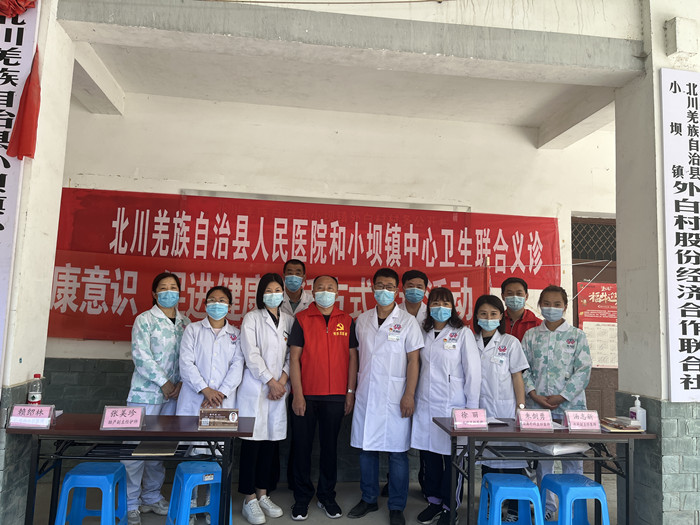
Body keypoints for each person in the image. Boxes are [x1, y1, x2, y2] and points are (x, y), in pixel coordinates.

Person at [348, 268, 423, 525]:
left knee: (397, 453)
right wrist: (351, 391)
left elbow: (414, 360)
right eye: (380, 285)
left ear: (397, 290)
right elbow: (355, 357)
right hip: (367, 394)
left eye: (389, 286)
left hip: (396, 395)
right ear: (372, 288)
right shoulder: (362, 320)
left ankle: (397, 506)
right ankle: (368, 498)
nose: (384, 290)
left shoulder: (408, 322)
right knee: (366, 450)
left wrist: (409, 394)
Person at [288, 275, 359, 520]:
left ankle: (327, 495)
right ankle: (301, 498)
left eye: (330, 288)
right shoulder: (302, 319)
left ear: (337, 292)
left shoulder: (347, 320)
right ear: (313, 291)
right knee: (302, 448)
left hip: (336, 396)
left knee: (330, 449)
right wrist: (298, 394)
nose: (325, 292)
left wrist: (350, 392)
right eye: (320, 288)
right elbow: (294, 358)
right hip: (306, 395)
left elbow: (353, 358)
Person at [124, 272, 190, 525]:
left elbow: (189, 357)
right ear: (154, 293)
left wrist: (180, 383)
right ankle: (130, 502)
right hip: (146, 393)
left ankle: (151, 496)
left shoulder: (185, 323)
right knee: (134, 449)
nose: (169, 291)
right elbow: (141, 355)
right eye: (163, 287)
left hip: (174, 396)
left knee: (158, 449)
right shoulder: (145, 320)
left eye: (173, 287)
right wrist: (164, 382)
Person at [522, 285, 592, 521]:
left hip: (571, 409)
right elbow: (523, 369)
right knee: (543, 461)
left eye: (556, 304)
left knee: (573, 461)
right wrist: (533, 394)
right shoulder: (531, 336)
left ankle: (572, 510)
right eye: (546, 303)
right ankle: (547, 507)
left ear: (565, 306)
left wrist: (563, 396)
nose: (551, 308)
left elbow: (583, 371)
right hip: (538, 408)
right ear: (539, 305)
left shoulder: (577, 336)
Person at [411, 287, 481, 525]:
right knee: (429, 456)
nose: (440, 307)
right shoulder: (423, 331)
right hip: (426, 405)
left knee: (453, 459)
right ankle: (433, 501)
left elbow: (473, 372)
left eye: (445, 303)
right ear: (428, 306)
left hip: (454, 406)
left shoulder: (462, 333)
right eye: (435, 302)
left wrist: (471, 409)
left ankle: (450, 507)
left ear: (452, 306)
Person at [177, 285, 245, 525]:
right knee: (191, 455)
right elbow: (186, 363)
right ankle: (190, 504)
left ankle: (209, 504)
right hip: (194, 399)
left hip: (222, 405)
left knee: (217, 456)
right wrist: (205, 390)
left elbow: (238, 366)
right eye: (212, 300)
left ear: (230, 306)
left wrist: (221, 393)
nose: (217, 304)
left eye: (222, 300)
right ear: (205, 304)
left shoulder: (236, 334)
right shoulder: (193, 330)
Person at [238, 273, 294, 525]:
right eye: (268, 290)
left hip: (278, 390)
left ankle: (263, 494)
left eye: (277, 290)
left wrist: (281, 381)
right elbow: (251, 355)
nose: (274, 294)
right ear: (261, 293)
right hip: (256, 389)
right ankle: (248, 498)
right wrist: (271, 382)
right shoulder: (251, 318)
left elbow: (292, 355)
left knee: (270, 443)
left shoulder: (289, 320)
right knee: (252, 444)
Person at [473, 295, 529, 523]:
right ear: (476, 316)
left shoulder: (510, 342)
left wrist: (521, 407)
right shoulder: (470, 341)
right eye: (483, 314)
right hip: (480, 410)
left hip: (507, 410)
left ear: (500, 317)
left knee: (513, 460)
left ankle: (515, 508)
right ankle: (491, 505)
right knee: (488, 461)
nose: (488, 318)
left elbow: (517, 377)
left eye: (493, 314)